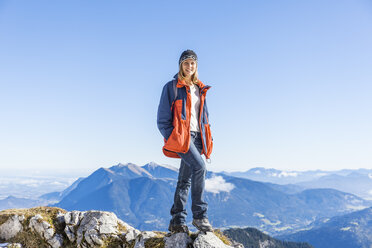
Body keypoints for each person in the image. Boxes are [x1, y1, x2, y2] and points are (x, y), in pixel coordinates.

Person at [157, 50, 214, 233]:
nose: (189, 66)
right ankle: (200, 216)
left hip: (198, 137)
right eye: (186, 63)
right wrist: (172, 136)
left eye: (193, 63)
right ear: (180, 65)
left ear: (196, 66)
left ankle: (177, 221)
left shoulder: (200, 88)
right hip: (183, 137)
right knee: (200, 168)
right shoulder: (172, 87)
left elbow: (203, 117)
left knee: (184, 181)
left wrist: (208, 137)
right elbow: (162, 118)